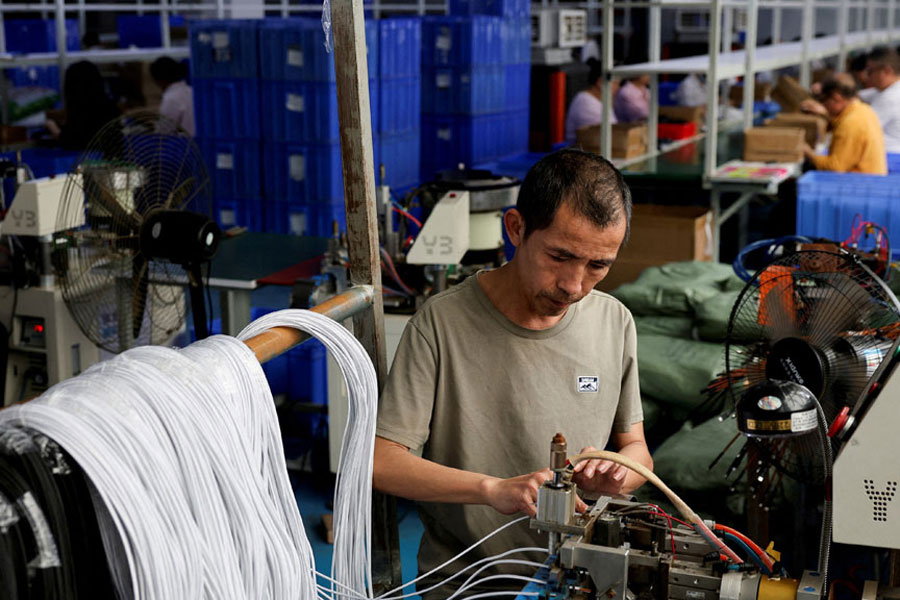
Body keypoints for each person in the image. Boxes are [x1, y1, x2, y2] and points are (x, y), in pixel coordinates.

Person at [373, 149, 652, 599]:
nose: (575, 285)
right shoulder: (441, 324)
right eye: (560, 256)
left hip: (583, 578)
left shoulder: (614, 322)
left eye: (598, 265)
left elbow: (636, 449)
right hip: (473, 584)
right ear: (516, 228)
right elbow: (380, 461)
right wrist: (491, 490)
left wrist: (619, 475)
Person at [801, 74, 887, 174]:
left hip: (858, 183)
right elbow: (840, 125)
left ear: (836, 98)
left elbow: (835, 167)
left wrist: (807, 152)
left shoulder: (851, 123)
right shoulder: (863, 110)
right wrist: (825, 115)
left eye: (823, 101)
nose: (823, 106)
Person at [45, 61, 119, 151]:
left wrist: (52, 126)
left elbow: (71, 141)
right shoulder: (110, 108)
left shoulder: (82, 111)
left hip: (88, 160)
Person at [564, 58, 619, 144]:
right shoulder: (585, 103)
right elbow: (606, 138)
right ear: (600, 82)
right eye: (615, 83)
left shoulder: (601, 100)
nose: (618, 87)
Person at [864, 46, 900, 153]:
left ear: (887, 71)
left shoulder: (890, 98)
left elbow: (860, 128)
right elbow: (857, 96)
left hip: (890, 159)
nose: (867, 76)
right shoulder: (889, 90)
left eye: (870, 71)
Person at [150, 57, 195, 137]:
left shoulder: (171, 99)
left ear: (159, 80)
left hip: (184, 145)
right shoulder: (191, 91)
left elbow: (163, 133)